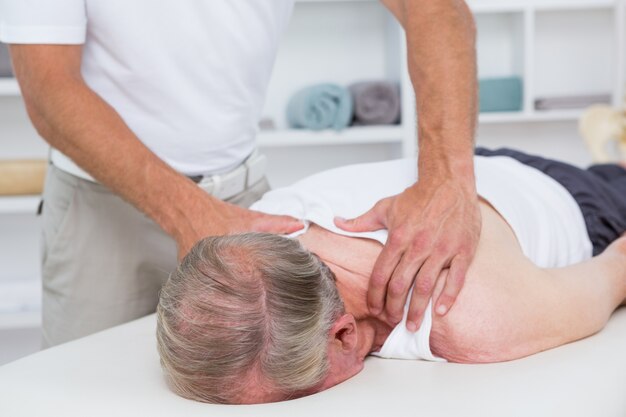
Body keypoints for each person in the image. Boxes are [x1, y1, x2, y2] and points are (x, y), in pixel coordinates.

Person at [2, 0, 480, 347]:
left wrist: (447, 180)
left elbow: (434, 8)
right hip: (100, 207)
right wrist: (188, 213)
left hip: (242, 198)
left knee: (271, 384)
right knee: (91, 395)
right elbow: (48, 87)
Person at [156, 148, 626, 404]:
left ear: (343, 336)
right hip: (476, 173)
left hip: (573, 202)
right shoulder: (243, 241)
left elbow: (617, 269)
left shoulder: (471, 315)